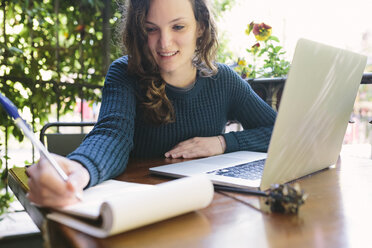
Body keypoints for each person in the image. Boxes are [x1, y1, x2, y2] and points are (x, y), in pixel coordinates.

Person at [26, 0, 276, 207]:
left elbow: (279, 132)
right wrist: (79, 171)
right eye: (151, 29)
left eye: (178, 27)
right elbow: (112, 135)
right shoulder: (124, 73)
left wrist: (223, 143)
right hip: (144, 208)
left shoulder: (223, 79)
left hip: (205, 207)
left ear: (200, 27)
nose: (164, 43)